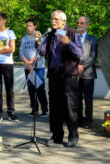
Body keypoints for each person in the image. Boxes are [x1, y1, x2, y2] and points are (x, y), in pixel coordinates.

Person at [35, 10, 83, 147]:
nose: (53, 21)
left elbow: (79, 53)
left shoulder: (72, 33)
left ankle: (73, 136)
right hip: (54, 75)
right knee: (54, 107)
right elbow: (42, 52)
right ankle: (56, 135)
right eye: (52, 19)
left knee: (70, 107)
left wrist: (69, 43)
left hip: (68, 76)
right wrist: (38, 42)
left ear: (64, 21)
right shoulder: (51, 34)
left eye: (56, 19)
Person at [0, 12, 18, 122]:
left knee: (9, 89)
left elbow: (12, 49)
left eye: (0, 19)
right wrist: (4, 47)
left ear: (5, 20)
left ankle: (11, 113)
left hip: (7, 63)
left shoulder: (10, 32)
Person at [20, 19, 49, 118]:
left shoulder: (39, 37)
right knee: (31, 89)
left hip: (38, 67)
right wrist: (27, 63)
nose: (28, 28)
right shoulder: (24, 39)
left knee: (40, 89)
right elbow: (21, 52)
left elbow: (40, 52)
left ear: (35, 26)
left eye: (30, 26)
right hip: (28, 67)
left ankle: (45, 110)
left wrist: (31, 62)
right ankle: (34, 109)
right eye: (27, 26)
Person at [76, 16, 98, 129]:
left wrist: (82, 66)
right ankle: (79, 119)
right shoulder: (73, 37)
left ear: (87, 25)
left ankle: (88, 120)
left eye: (81, 23)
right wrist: (76, 67)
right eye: (78, 22)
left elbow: (93, 57)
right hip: (75, 73)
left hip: (88, 73)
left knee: (88, 98)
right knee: (77, 98)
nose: (79, 24)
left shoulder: (92, 39)